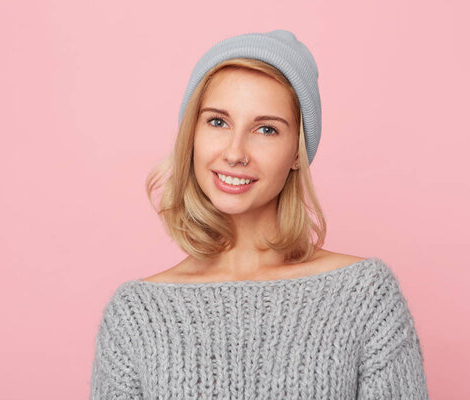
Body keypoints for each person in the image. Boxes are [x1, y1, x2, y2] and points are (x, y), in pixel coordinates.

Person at [89, 29, 429, 399]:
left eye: (266, 129)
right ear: (192, 135)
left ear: (297, 152)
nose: (235, 152)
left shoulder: (364, 297)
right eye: (218, 122)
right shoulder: (136, 316)